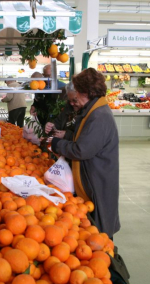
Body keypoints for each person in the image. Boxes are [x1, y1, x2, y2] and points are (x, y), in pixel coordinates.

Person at [49, 68, 120, 239]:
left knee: (99, 228)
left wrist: (57, 144)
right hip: (93, 176)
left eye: (74, 99)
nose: (72, 104)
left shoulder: (99, 116)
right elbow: (86, 137)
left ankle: (105, 254)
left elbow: (82, 149)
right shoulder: (93, 111)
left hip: (98, 180)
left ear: (86, 92)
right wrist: (67, 136)